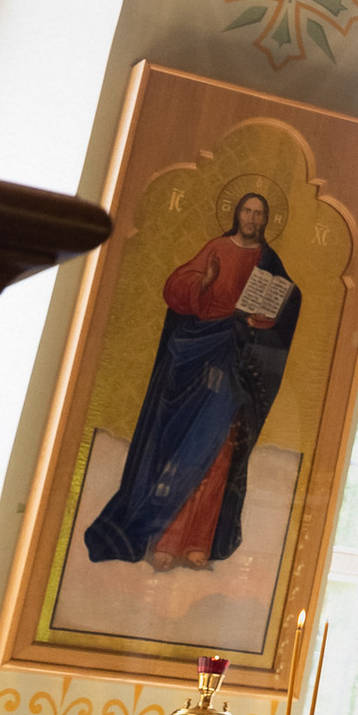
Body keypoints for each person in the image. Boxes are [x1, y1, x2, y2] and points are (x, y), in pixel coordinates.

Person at [81, 190, 298, 570]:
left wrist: (263, 317)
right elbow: (177, 288)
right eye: (247, 211)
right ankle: (166, 537)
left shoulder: (269, 261)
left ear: (265, 221)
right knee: (183, 446)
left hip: (236, 357)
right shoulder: (216, 247)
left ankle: (198, 538)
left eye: (259, 214)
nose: (251, 219)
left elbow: (281, 310)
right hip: (199, 351)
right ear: (237, 213)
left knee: (220, 449)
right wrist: (205, 280)